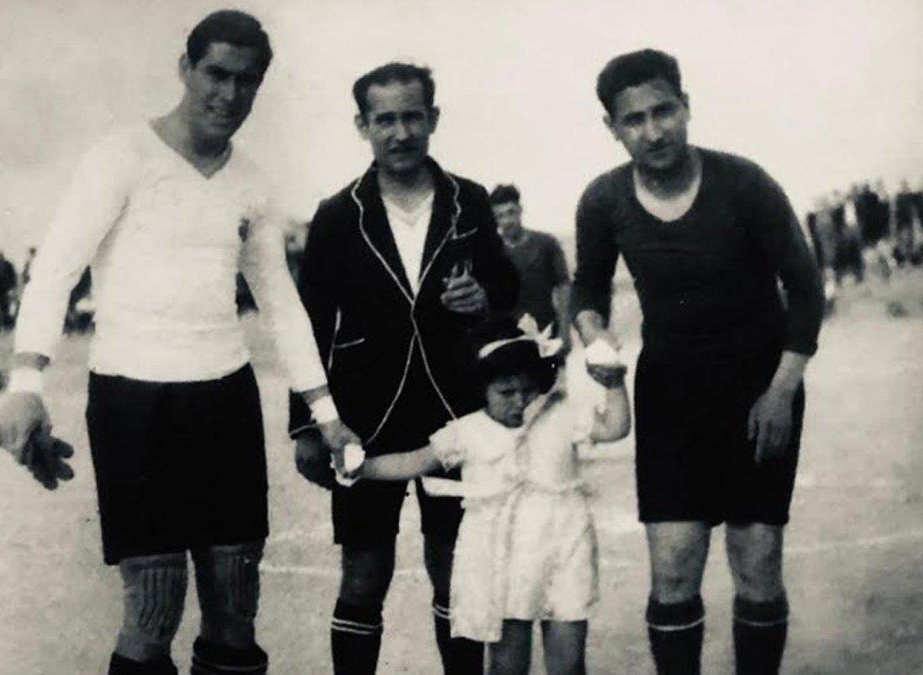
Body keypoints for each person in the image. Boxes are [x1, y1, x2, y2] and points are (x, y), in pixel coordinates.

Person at [0, 11, 358, 675]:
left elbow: (281, 302)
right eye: (216, 73)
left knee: (235, 607)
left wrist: (326, 414)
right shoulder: (120, 157)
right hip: (134, 398)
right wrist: (24, 385)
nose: (229, 93)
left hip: (225, 395)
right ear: (184, 69)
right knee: (153, 610)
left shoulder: (251, 180)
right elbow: (56, 269)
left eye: (247, 81)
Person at [571, 49, 824, 674]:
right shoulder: (603, 200)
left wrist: (781, 392)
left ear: (687, 108)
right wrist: (593, 334)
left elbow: (806, 287)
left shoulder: (744, 183)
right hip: (672, 396)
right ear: (613, 128)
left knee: (757, 557)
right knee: (675, 568)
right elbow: (588, 290)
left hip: (760, 391)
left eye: (664, 111)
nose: (653, 130)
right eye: (634, 120)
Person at [289, 62, 519, 674]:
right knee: (364, 575)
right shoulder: (338, 213)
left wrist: (486, 301)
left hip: (455, 406)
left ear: (433, 119)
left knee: (456, 571)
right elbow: (307, 322)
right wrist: (308, 426)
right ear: (362, 125)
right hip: (367, 413)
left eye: (411, 117)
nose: (399, 132)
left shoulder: (468, 199)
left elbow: (505, 285)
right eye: (384, 119)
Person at [348, 315, 630, 675]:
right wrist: (363, 468)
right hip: (506, 556)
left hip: (566, 543)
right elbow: (413, 461)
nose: (519, 402)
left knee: (569, 663)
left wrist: (615, 384)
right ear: (483, 389)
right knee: (508, 664)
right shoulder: (467, 430)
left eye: (528, 391)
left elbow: (616, 427)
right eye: (506, 393)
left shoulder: (561, 413)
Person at [489, 184, 572, 358]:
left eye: (511, 212)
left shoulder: (546, 243)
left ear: (520, 210)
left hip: (547, 334)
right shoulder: (492, 250)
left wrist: (565, 332)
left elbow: (564, 286)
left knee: (555, 384)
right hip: (507, 337)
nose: (507, 221)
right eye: (499, 216)